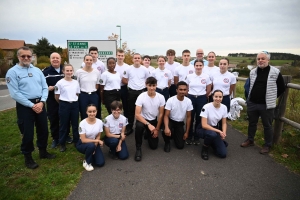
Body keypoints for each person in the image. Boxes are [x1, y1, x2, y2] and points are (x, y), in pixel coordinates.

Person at [5, 46, 55, 169]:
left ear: (32, 57)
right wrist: (31, 105)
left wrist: (42, 102)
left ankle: (43, 152)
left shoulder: (37, 70)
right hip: (25, 106)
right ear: (18, 57)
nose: (26, 58)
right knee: (27, 132)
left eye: (29, 56)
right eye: (23, 56)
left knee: (43, 129)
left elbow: (44, 87)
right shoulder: (12, 72)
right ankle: (28, 157)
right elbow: (15, 93)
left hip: (40, 103)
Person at [240, 51, 285, 154]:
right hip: (252, 102)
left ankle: (267, 145)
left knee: (267, 125)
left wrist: (272, 97)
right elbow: (249, 85)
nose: (260, 61)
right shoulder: (253, 71)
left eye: (263, 58)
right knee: (252, 123)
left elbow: (281, 87)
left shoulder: (275, 72)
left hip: (266, 104)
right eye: (259, 59)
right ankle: (250, 140)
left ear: (268, 60)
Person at [43, 52, 72, 148]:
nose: (55, 59)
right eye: (53, 58)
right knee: (53, 118)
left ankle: (66, 135)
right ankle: (56, 138)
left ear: (60, 59)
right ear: (50, 60)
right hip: (52, 100)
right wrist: (48, 88)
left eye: (57, 58)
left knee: (66, 118)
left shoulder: (65, 70)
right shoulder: (45, 72)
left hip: (65, 99)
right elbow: (41, 86)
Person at [134, 77, 165, 161]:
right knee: (139, 127)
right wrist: (148, 125)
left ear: (156, 85)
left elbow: (161, 114)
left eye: (153, 85)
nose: (151, 88)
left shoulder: (161, 97)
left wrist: (157, 129)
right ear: (146, 85)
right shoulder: (141, 96)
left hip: (153, 120)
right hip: (143, 120)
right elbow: (137, 115)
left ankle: (147, 133)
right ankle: (138, 148)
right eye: (149, 85)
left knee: (154, 146)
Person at [122, 53, 150, 135]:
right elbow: (124, 80)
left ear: (141, 60)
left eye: (138, 58)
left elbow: (147, 80)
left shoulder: (144, 69)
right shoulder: (128, 69)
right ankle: (130, 127)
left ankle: (144, 128)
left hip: (142, 92)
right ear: (132, 59)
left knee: (144, 111)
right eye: (135, 58)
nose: (137, 59)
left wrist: (142, 86)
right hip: (131, 92)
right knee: (130, 111)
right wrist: (131, 84)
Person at [54, 64, 80, 152]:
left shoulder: (76, 82)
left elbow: (77, 93)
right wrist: (63, 103)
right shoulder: (60, 83)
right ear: (63, 71)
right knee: (63, 125)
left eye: (70, 71)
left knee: (75, 124)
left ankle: (76, 141)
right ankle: (62, 143)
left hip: (74, 105)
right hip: (64, 105)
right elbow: (57, 96)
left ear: (73, 71)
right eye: (67, 70)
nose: (69, 72)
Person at [185, 59, 212, 145]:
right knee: (190, 117)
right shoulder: (189, 76)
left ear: (203, 66)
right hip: (191, 98)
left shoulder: (206, 77)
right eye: (197, 65)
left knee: (199, 118)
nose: (198, 67)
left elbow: (208, 89)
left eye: (200, 65)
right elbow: (186, 88)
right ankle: (189, 135)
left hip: (201, 99)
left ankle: (197, 137)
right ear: (194, 66)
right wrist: (188, 95)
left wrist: (204, 96)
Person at [196, 90, 228, 160]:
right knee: (212, 134)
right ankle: (205, 148)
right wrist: (219, 131)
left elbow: (224, 123)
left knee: (222, 154)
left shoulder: (224, 107)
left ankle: (213, 142)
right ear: (213, 97)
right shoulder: (206, 107)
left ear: (222, 98)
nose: (218, 99)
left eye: (220, 97)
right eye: (216, 96)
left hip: (214, 129)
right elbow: (204, 125)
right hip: (203, 129)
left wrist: (224, 133)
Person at [163, 81, 193, 152]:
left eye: (184, 90)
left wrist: (187, 132)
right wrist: (166, 128)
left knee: (180, 146)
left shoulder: (188, 101)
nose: (182, 91)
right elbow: (166, 116)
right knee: (165, 129)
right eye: (180, 89)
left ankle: (173, 133)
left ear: (187, 91)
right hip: (171, 120)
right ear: (176, 90)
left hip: (180, 123)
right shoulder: (171, 100)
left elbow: (189, 117)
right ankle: (167, 142)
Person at [76, 104, 105, 171]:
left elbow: (98, 136)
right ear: (86, 112)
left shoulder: (100, 122)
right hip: (83, 144)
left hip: (93, 143)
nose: (92, 113)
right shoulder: (82, 123)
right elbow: (83, 140)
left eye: (94, 111)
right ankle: (86, 162)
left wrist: (95, 147)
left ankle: (91, 153)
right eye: (90, 112)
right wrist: (97, 141)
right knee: (90, 146)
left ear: (96, 111)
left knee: (100, 163)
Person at [81, 46, 105, 119]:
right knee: (85, 108)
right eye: (92, 53)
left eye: (95, 53)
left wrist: (98, 89)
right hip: (85, 89)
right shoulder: (83, 64)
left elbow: (102, 76)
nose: (94, 55)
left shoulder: (101, 64)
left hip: (96, 89)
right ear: (89, 54)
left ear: (97, 54)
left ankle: (97, 120)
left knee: (97, 106)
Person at [75, 54, 101, 120]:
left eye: (90, 60)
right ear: (84, 60)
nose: (89, 61)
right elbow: (76, 85)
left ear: (92, 61)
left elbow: (97, 84)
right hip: (83, 95)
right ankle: (84, 129)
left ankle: (94, 128)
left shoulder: (97, 72)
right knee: (84, 113)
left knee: (94, 112)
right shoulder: (79, 72)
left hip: (93, 95)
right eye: (87, 60)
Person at [115, 49, 130, 118]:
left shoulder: (127, 67)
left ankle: (126, 120)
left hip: (124, 87)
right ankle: (116, 119)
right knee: (116, 106)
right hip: (115, 88)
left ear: (124, 57)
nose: (120, 57)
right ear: (116, 56)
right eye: (119, 55)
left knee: (126, 105)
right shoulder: (113, 65)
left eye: (122, 56)